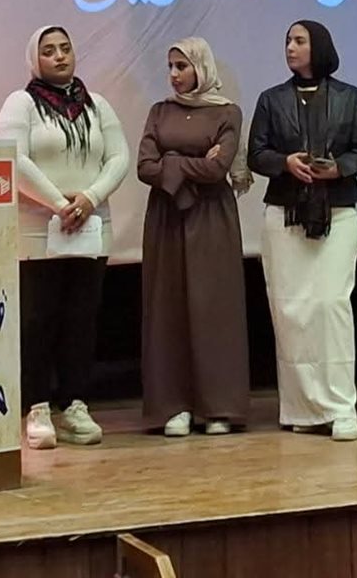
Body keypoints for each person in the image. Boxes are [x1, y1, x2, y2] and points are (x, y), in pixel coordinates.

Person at [0, 26, 131, 449]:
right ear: (34, 60)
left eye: (65, 49)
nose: (59, 56)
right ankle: (36, 407)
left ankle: (74, 404)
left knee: (81, 319)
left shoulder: (96, 104)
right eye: (49, 50)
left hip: (90, 228)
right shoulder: (21, 104)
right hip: (37, 230)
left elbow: (119, 156)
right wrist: (59, 204)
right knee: (38, 320)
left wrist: (89, 199)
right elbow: (14, 159)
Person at [248, 20, 357, 441]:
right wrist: (285, 163)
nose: (290, 47)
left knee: (331, 305)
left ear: (318, 46)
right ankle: (301, 409)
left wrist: (338, 168)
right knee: (291, 310)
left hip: (337, 212)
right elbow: (256, 153)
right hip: (285, 213)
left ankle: (341, 408)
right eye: (288, 40)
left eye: (299, 41)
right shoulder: (271, 99)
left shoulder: (349, 97)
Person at [137, 37, 251, 435]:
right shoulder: (159, 111)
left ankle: (218, 407)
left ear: (201, 68)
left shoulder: (227, 112)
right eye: (170, 66)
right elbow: (145, 167)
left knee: (213, 306)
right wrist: (193, 163)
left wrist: (171, 161)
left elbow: (219, 170)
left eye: (181, 66)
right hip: (167, 216)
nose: (174, 75)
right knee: (167, 306)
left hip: (212, 216)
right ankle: (174, 406)